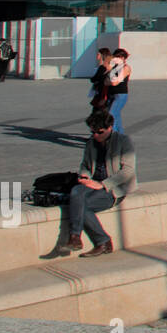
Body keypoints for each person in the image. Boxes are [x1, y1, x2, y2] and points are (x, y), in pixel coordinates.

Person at [49, 110, 137, 258]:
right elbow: (85, 165)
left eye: (99, 132)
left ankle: (102, 241)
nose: (95, 135)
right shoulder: (91, 143)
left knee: (81, 205)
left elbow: (128, 171)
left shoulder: (123, 141)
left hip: (114, 188)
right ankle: (76, 238)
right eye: (92, 132)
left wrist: (103, 185)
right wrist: (85, 176)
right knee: (77, 191)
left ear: (110, 128)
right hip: (92, 184)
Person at [106, 48, 131, 133]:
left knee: (111, 115)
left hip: (120, 94)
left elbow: (114, 82)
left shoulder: (125, 67)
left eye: (119, 57)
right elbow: (106, 81)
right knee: (116, 116)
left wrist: (110, 79)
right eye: (115, 57)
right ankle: (120, 136)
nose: (116, 59)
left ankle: (114, 135)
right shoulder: (115, 67)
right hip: (111, 94)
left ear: (123, 58)